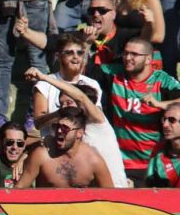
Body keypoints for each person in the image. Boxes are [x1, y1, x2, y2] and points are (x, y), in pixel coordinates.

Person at [26, 69, 128, 187]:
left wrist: (44, 78)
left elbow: (80, 97)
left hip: (116, 191)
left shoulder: (97, 120)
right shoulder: (72, 128)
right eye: (61, 104)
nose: (64, 108)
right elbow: (46, 141)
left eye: (68, 102)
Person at [105, 38, 180, 185]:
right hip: (119, 162)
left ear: (148, 59)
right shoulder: (113, 75)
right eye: (126, 53)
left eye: (134, 54)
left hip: (151, 163)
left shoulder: (162, 81)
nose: (127, 58)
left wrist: (161, 104)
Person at [15, 106, 114, 188]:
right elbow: (19, 190)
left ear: (79, 133)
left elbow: (111, 197)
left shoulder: (93, 160)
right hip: (48, 209)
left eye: (65, 128)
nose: (59, 131)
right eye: (56, 127)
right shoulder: (42, 156)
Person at [145, 103, 180, 187]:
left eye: (172, 120)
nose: (165, 125)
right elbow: (149, 187)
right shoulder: (159, 150)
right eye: (164, 119)